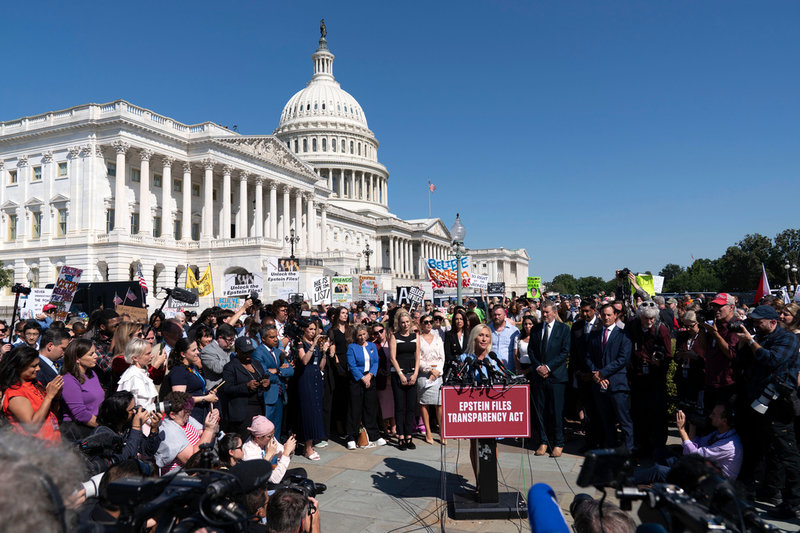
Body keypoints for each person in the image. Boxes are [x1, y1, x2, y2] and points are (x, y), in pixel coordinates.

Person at [734, 305, 800, 519]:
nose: (754, 325)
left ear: (772, 322)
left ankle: (794, 503)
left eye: (759, 321)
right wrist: (744, 344)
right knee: (755, 450)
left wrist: (752, 342)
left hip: (778, 406)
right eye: (753, 321)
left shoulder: (788, 339)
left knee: (786, 454)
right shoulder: (756, 337)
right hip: (755, 404)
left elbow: (772, 360)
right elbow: (740, 363)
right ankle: (750, 495)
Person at [633, 402, 742, 483]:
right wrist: (692, 426)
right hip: (703, 470)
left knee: (659, 470)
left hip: (711, 483)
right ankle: (661, 480)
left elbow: (693, 454)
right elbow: (696, 444)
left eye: (714, 414)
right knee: (661, 453)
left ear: (724, 421)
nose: (710, 416)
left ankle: (628, 478)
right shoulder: (720, 434)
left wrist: (681, 430)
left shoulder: (728, 446)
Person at [626, 301, 673, 457]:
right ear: (640, 317)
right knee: (639, 414)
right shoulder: (634, 327)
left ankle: (658, 448)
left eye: (652, 319)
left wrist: (659, 362)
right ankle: (641, 446)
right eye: (646, 318)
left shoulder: (662, 330)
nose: (649, 321)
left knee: (657, 416)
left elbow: (668, 356)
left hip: (655, 380)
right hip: (638, 378)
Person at [585, 304, 633, 451]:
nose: (606, 317)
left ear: (615, 315)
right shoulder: (594, 334)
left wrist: (602, 373)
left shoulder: (624, 335)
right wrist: (596, 373)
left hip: (617, 384)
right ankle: (610, 450)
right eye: (603, 314)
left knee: (624, 421)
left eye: (609, 315)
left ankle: (629, 452)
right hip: (599, 384)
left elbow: (622, 359)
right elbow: (588, 357)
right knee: (606, 421)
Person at [459, 324, 501, 484]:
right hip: (473, 409)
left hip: (490, 409)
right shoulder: (465, 359)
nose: (484, 339)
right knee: (475, 444)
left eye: (487, 336)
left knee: (492, 443)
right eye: (481, 335)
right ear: (474, 338)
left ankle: (490, 479)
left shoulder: (493, 359)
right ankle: (479, 480)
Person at [529, 301, 571, 457]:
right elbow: (531, 350)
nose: (544, 315)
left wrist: (548, 367)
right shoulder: (536, 329)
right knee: (541, 411)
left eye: (547, 312)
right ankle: (543, 441)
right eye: (542, 312)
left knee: (557, 412)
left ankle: (558, 442)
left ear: (554, 312)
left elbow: (564, 352)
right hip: (540, 377)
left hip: (556, 377)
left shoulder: (563, 329)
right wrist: (539, 367)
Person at [0, 345, 63, 444]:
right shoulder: (15, 393)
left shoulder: (35, 384)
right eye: (34, 366)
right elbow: (32, 426)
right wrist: (49, 396)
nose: (38, 369)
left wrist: (56, 397)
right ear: (20, 367)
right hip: (34, 451)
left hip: (52, 447)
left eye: (38, 365)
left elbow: (50, 413)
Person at [154, 391, 220, 474]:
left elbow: (206, 436)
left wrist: (213, 420)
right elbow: (193, 460)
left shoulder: (184, 419)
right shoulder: (170, 431)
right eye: (186, 411)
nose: (189, 412)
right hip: (180, 478)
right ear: (172, 414)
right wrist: (209, 429)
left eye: (189, 410)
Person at [91, 390, 161, 463]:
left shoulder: (126, 428)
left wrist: (154, 429)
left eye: (135, 407)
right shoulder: (102, 434)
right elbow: (124, 458)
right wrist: (136, 427)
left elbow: (148, 451)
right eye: (131, 410)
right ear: (119, 414)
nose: (135, 411)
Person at [345, 324, 384, 449]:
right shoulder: (352, 347)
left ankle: (374, 435)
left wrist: (370, 375)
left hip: (370, 379)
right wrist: (362, 378)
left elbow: (376, 362)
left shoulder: (372, 346)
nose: (362, 337)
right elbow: (352, 365)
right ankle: (351, 436)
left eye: (364, 334)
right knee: (355, 409)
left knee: (371, 408)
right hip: (357, 380)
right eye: (359, 335)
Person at [295, 319, 329, 461]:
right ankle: (307, 447)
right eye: (310, 329)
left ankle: (311, 444)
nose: (313, 332)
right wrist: (314, 344)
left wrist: (324, 353)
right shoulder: (301, 343)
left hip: (316, 378)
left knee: (316, 411)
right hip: (305, 380)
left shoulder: (316, 345)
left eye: (315, 329)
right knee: (308, 412)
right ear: (304, 330)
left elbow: (321, 366)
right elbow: (304, 360)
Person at [252, 324, 294, 437]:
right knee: (266, 430)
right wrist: (276, 372)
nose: (276, 339)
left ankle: (277, 451)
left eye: (276, 336)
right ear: (263, 338)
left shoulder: (278, 352)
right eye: (272, 337)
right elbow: (264, 374)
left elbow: (290, 371)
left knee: (277, 428)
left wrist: (277, 371)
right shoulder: (258, 353)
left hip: (279, 395)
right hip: (268, 396)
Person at [222, 336, 271, 435]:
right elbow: (227, 388)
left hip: (258, 407)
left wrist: (266, 384)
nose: (248, 355)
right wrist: (246, 386)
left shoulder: (256, 363)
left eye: (250, 351)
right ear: (237, 351)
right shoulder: (230, 367)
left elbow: (262, 378)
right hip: (243, 410)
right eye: (245, 352)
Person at [165, 337, 218, 423]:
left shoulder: (191, 367)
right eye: (194, 350)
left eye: (197, 349)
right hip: (190, 417)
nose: (198, 352)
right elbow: (179, 400)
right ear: (183, 354)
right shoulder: (178, 371)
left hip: (201, 413)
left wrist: (208, 394)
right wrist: (205, 398)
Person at [701, 293, 740, 411]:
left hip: (727, 383)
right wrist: (702, 329)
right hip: (711, 381)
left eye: (720, 307)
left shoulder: (736, 326)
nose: (716, 310)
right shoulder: (715, 324)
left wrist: (715, 334)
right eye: (714, 306)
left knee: (725, 422)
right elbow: (704, 350)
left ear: (731, 307)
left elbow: (731, 354)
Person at [60, 339, 104, 441]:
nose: (96, 356)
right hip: (79, 433)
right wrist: (103, 426)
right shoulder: (69, 380)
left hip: (95, 428)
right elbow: (80, 414)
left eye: (95, 352)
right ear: (77, 359)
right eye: (91, 354)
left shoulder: (92, 374)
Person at [389, 309, 420, 450]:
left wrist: (415, 374)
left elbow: (418, 357)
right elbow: (392, 357)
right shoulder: (394, 336)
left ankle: (409, 436)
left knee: (411, 408)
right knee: (400, 407)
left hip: (413, 374)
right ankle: (400, 436)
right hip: (398, 375)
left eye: (407, 322)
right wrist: (401, 374)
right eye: (403, 322)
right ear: (399, 323)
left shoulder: (415, 336)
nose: (405, 325)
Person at [241, 415, 298, 484]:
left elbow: (282, 452)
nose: (272, 438)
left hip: (269, 476)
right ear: (258, 437)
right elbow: (274, 480)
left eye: (273, 434)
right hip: (259, 485)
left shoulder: (267, 439)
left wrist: (290, 450)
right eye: (269, 436)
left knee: (300, 472)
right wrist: (270, 455)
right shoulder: (249, 452)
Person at [417, 314, 445, 445]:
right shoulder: (418, 339)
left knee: (439, 404)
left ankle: (442, 432)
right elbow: (418, 358)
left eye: (430, 321)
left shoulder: (438, 338)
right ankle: (428, 431)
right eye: (426, 322)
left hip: (438, 374)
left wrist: (437, 371)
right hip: (424, 374)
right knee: (424, 403)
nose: (429, 324)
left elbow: (442, 357)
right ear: (421, 324)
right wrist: (429, 370)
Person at [116, 337, 159, 412]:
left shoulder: (141, 372)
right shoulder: (133, 377)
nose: (152, 355)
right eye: (148, 354)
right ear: (135, 358)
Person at [370, 321, 395, 437]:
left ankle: (394, 428)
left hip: (394, 378)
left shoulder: (392, 342)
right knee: (384, 405)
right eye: (376, 333)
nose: (379, 334)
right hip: (382, 379)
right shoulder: (373, 345)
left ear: (385, 331)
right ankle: (385, 430)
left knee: (394, 404)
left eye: (381, 331)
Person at [199, 323, 236, 391]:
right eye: (229, 340)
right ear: (220, 338)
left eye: (233, 340)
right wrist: (233, 355)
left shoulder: (228, 348)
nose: (231, 343)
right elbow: (218, 368)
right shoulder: (207, 351)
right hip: (216, 389)